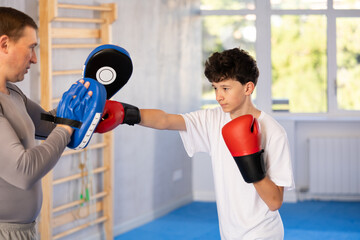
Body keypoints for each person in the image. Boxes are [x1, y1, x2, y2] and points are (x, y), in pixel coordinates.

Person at [96, 47, 295, 239]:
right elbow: (166, 120)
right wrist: (125, 114)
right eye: (215, 88)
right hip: (230, 232)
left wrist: (250, 161)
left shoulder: (273, 132)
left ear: (248, 87)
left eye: (225, 88)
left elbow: (275, 201)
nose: (219, 96)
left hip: (262, 233)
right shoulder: (213, 119)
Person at [0, 7, 93, 239]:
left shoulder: (13, 92)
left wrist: (89, 100)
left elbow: (49, 123)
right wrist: (66, 127)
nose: (34, 58)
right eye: (31, 47)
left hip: (22, 229)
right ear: (4, 44)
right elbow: (24, 170)